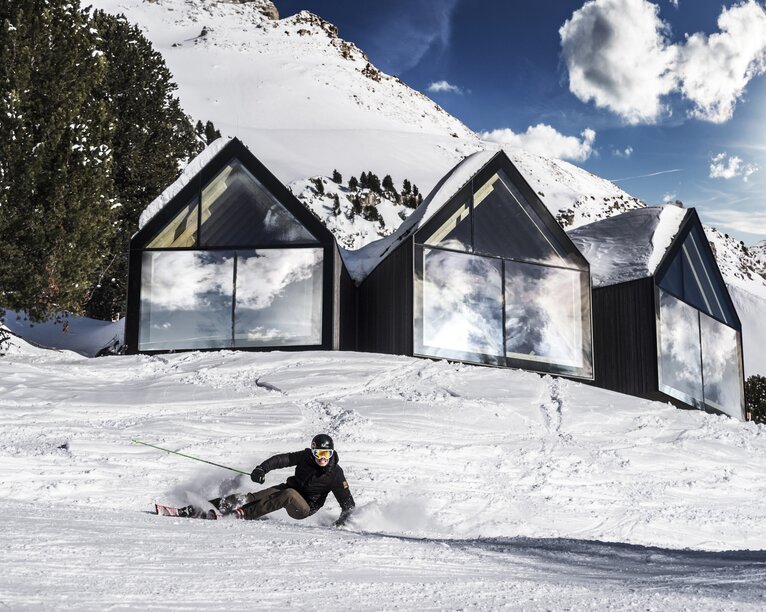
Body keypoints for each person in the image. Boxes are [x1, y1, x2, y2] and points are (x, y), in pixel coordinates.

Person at [180, 434, 355, 526]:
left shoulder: (335, 474)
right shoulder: (305, 457)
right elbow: (282, 459)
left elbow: (347, 502)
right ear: (312, 452)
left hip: (304, 508)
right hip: (289, 490)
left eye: (326, 454)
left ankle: (242, 514)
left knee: (288, 493)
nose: (322, 458)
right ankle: (205, 507)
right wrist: (262, 469)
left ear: (332, 453)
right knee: (250, 497)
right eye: (318, 453)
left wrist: (341, 524)